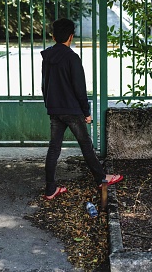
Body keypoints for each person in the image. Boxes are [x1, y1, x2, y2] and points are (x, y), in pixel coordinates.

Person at [41, 18, 123, 200]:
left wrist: (51, 105)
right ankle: (102, 177)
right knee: (85, 145)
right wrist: (86, 112)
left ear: (53, 36)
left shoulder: (47, 57)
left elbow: (44, 84)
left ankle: (50, 189)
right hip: (72, 110)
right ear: (71, 36)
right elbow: (79, 88)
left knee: (54, 148)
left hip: (55, 110)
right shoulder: (72, 57)